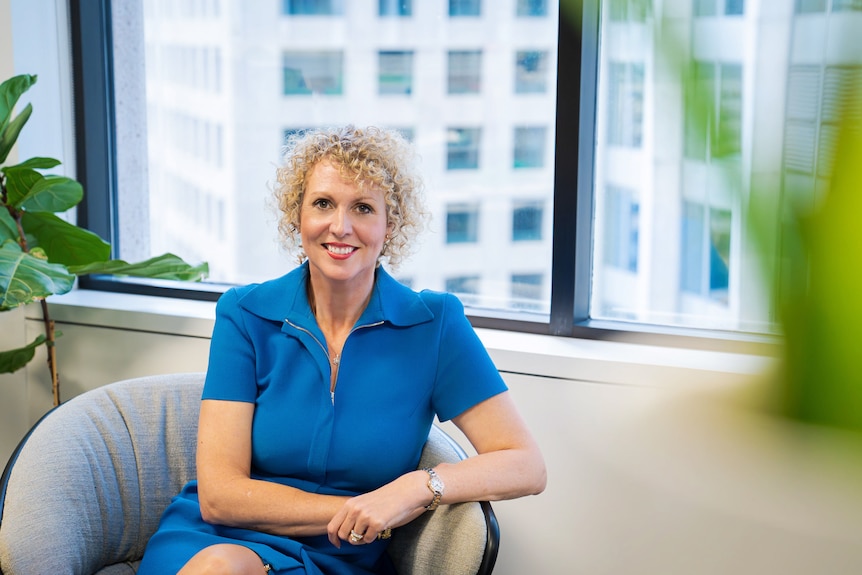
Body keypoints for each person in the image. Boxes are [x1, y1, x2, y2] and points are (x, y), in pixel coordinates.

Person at [137, 125, 547, 575]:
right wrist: (362, 509)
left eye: (364, 208)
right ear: (297, 216)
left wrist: (412, 489)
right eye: (323, 203)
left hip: (341, 557)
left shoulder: (435, 325)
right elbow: (219, 497)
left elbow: (525, 465)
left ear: (390, 227)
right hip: (215, 541)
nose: (340, 226)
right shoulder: (245, 314)